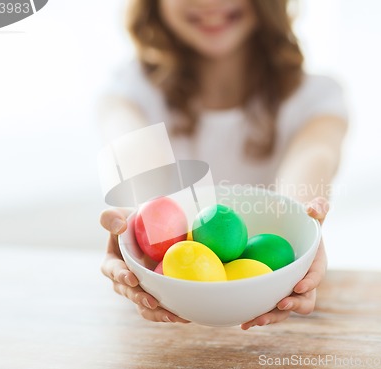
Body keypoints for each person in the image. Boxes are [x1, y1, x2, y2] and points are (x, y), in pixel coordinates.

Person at [99, 0, 348, 330]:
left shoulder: (317, 96)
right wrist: (139, 232)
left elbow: (313, 158)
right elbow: (141, 166)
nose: (208, 3)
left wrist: (304, 227)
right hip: (160, 324)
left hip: (287, 319)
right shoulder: (129, 90)